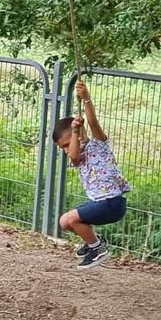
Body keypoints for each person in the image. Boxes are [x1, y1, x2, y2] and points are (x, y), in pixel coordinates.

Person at [53, 81, 131, 269]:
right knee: (66, 223)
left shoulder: (98, 145)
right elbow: (73, 155)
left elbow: (93, 122)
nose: (66, 150)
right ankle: (94, 243)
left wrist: (86, 98)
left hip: (112, 203)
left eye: (66, 144)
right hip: (100, 203)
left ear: (78, 135)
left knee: (67, 219)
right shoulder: (77, 158)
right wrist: (73, 133)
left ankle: (97, 248)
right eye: (62, 147)